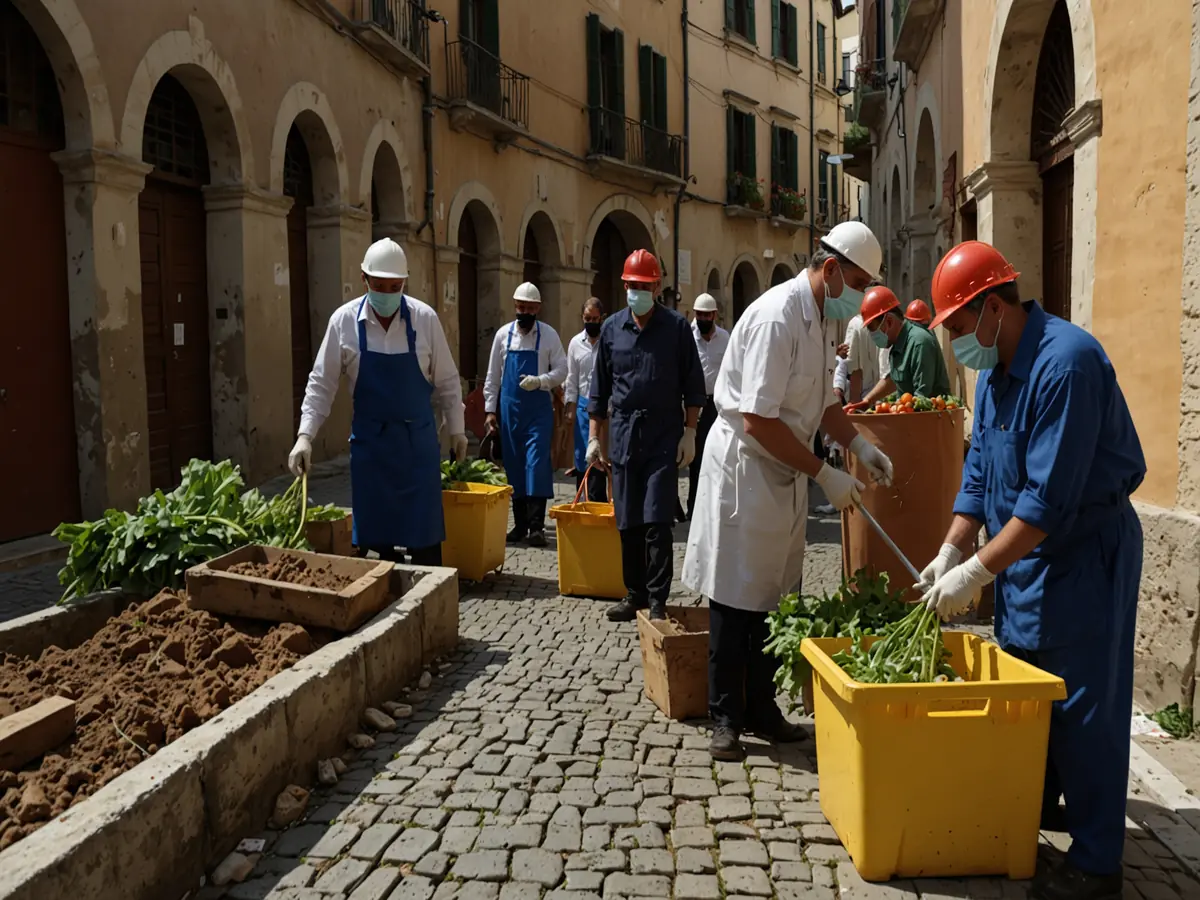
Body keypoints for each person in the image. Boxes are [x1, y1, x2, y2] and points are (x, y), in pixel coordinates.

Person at [916, 242, 1145, 900]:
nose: (957, 344)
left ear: (993, 309)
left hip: (1082, 553)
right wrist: (951, 551)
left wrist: (973, 576)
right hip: (1023, 558)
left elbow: (1046, 505)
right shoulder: (996, 373)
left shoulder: (1064, 364)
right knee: (1027, 688)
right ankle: (1040, 805)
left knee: (1084, 704)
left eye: (958, 328)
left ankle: (1099, 862)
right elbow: (981, 475)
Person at [681, 221, 896, 761]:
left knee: (775, 594)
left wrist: (860, 447)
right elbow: (757, 419)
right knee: (736, 594)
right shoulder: (779, 316)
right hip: (747, 468)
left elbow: (824, 404)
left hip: (784, 469)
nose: (861, 297)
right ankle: (726, 715)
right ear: (830, 269)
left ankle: (763, 708)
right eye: (859, 282)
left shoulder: (823, 319)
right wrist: (824, 474)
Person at [289, 238, 465, 566]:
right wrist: (305, 436)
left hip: (417, 450)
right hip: (372, 450)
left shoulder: (424, 319)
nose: (387, 294)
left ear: (405, 283)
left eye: (395, 286)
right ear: (364, 280)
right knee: (376, 548)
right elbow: (321, 384)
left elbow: (447, 382)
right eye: (379, 286)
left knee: (425, 542)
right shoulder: (343, 322)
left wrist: (457, 430)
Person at [587, 250, 705, 622]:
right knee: (628, 523)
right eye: (631, 286)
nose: (636, 291)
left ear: (656, 286)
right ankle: (633, 593)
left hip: (662, 437)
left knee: (657, 521)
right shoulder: (610, 330)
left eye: (643, 286)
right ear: (624, 287)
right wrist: (594, 438)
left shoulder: (676, 328)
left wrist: (690, 432)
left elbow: (693, 384)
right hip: (623, 436)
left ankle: (657, 599)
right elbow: (599, 389)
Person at [484, 282, 568, 547]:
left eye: (530, 309)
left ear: (538, 309)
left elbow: (563, 370)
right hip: (510, 411)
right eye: (521, 307)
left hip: (538, 413)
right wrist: (489, 410)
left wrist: (541, 380)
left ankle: (536, 527)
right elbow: (493, 376)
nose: (525, 313)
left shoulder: (549, 336)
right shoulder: (502, 336)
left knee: (536, 464)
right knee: (515, 466)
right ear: (515, 306)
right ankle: (519, 526)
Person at [847, 285, 950, 410]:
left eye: (873, 329)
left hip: (931, 422)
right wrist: (868, 401)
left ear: (889, 321)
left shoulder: (919, 343)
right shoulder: (898, 344)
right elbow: (894, 380)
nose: (872, 336)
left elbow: (922, 400)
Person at [685, 292, 730, 520]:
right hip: (691, 403)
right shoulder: (687, 338)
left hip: (715, 404)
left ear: (714, 315)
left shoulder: (725, 339)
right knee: (692, 457)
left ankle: (712, 506)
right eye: (699, 314)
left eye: (706, 315)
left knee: (714, 456)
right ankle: (692, 508)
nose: (702, 318)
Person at [564, 297, 607, 503]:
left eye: (595, 318)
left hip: (605, 409)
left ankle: (599, 501)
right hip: (582, 407)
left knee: (602, 458)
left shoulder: (608, 342)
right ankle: (583, 501)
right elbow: (571, 378)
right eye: (587, 318)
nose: (591, 322)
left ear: (602, 318)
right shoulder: (575, 344)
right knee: (583, 457)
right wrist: (570, 406)